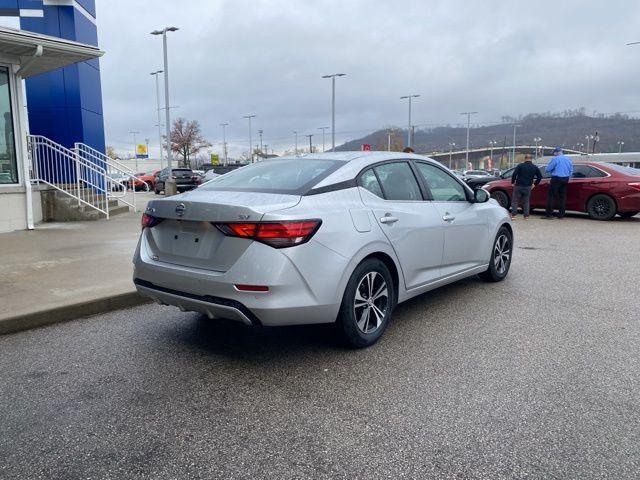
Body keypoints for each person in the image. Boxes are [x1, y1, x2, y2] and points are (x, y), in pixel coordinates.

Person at [543, 147, 573, 219]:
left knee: (551, 196)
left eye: (554, 153)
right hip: (565, 179)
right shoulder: (568, 159)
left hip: (556, 179)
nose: (553, 154)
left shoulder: (555, 159)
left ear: (556, 152)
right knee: (562, 197)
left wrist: (548, 170)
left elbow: (548, 169)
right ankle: (561, 215)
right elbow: (571, 171)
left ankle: (549, 215)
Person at [510, 154, 542, 220]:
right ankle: (526, 216)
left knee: (515, 201)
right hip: (528, 186)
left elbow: (514, 174)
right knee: (526, 201)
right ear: (531, 159)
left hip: (518, 185)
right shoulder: (534, 167)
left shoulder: (520, 165)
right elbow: (539, 176)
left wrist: (513, 182)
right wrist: (535, 184)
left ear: (525, 158)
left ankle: (513, 215)